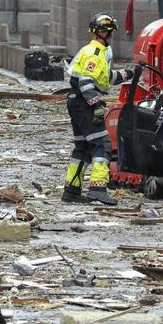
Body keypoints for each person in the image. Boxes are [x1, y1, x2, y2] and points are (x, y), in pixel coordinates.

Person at [63, 13, 132, 206]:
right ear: (103, 33)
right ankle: (98, 188)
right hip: (84, 103)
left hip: (76, 102)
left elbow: (105, 77)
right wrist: (95, 105)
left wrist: (129, 73)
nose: (111, 36)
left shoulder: (95, 51)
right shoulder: (95, 52)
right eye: (110, 32)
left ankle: (71, 190)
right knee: (102, 145)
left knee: (82, 148)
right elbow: (86, 81)